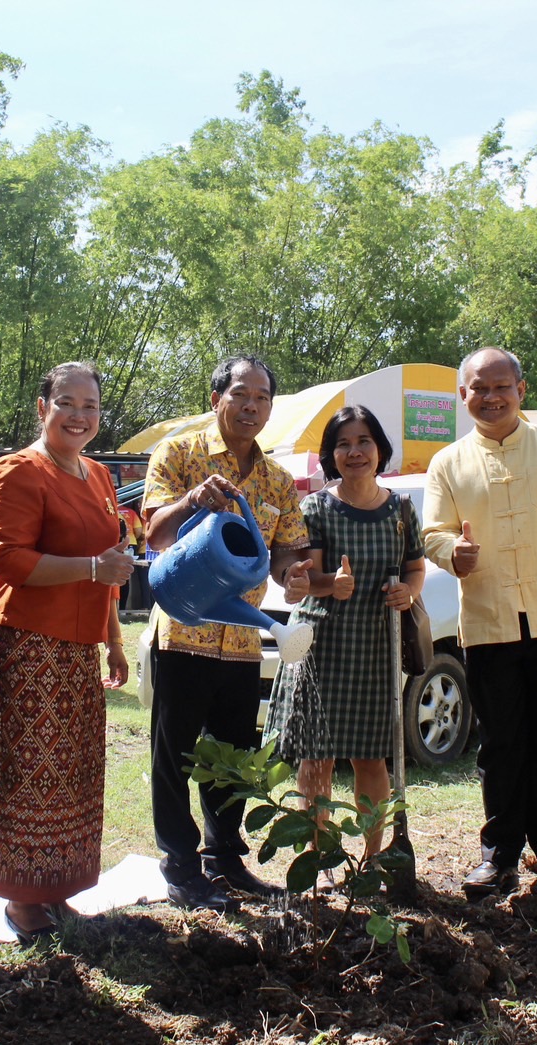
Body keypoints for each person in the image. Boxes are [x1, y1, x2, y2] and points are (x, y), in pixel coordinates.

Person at [421, 347, 537, 898]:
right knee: (501, 743)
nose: (491, 397)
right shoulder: (447, 463)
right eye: (479, 388)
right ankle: (498, 853)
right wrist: (453, 551)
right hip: (489, 623)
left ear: (521, 391)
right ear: (463, 397)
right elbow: (432, 532)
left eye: (501, 386)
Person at [143, 355, 312, 911]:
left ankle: (225, 860)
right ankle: (180, 865)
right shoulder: (180, 453)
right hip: (184, 632)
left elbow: (287, 550)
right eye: (241, 394)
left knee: (233, 753)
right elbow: (154, 534)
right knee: (174, 754)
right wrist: (192, 500)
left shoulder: (277, 479)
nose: (252, 406)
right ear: (217, 397)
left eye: (262, 398)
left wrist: (294, 573)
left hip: (242, 642)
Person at [0, 362, 133, 943]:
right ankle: (21, 901)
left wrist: (114, 641)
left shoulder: (98, 476)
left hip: (77, 649)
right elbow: (8, 560)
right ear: (43, 407)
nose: (79, 416)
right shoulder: (18, 471)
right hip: (27, 642)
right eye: (66, 403)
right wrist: (94, 568)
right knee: (29, 772)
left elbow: (112, 566)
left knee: (73, 772)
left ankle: (56, 891)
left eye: (90, 406)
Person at [266, 405, 425, 863]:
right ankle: (318, 854)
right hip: (324, 643)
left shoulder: (401, 510)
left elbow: (415, 568)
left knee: (371, 758)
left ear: (380, 450)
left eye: (363, 442)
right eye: (343, 444)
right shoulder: (315, 509)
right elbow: (304, 579)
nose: (354, 452)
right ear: (330, 455)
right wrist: (328, 584)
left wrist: (408, 594)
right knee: (316, 758)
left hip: (375, 646)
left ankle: (371, 858)